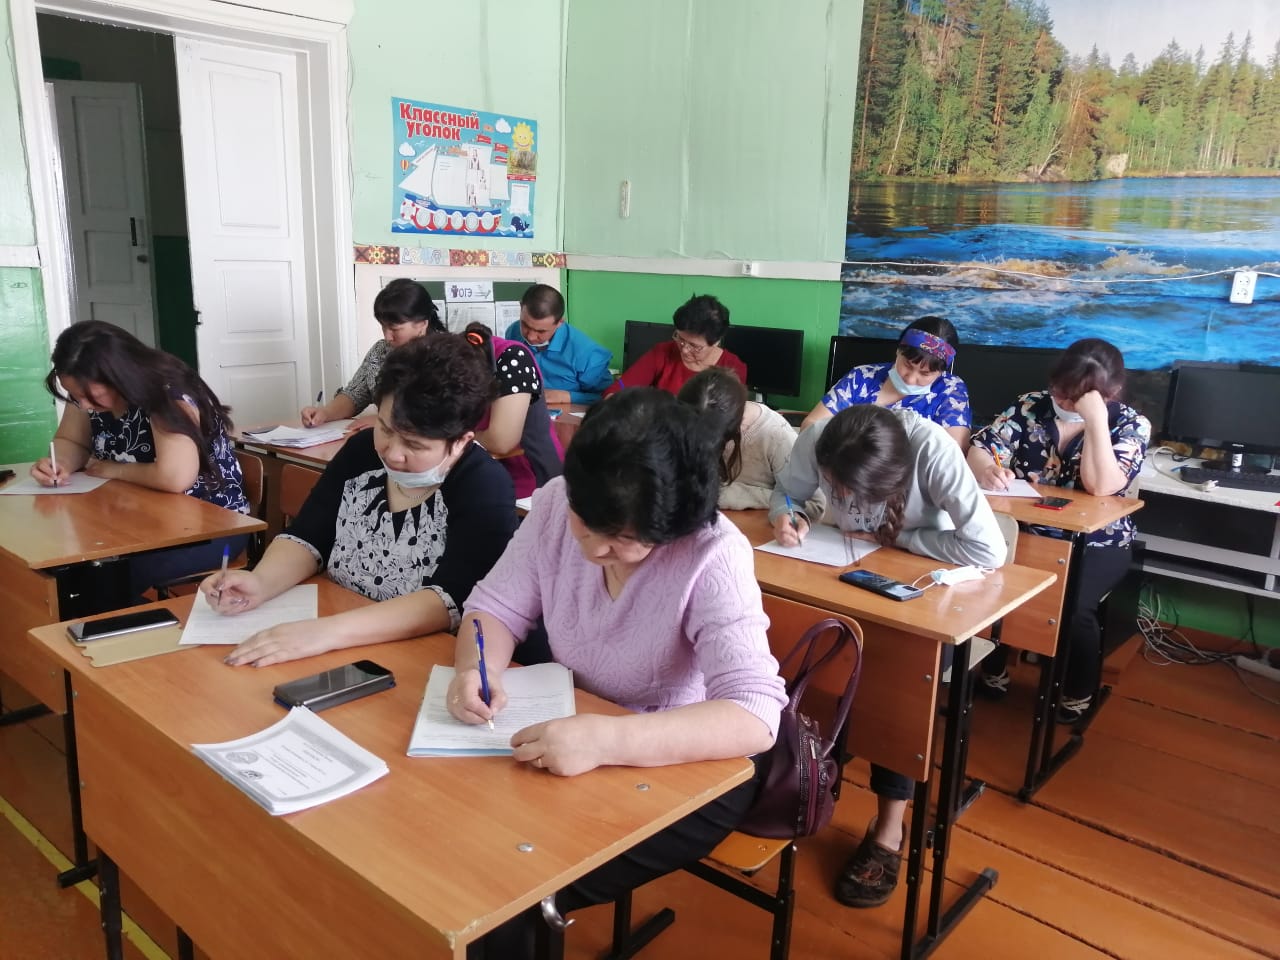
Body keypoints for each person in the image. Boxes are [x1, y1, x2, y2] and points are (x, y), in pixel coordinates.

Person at [448, 388, 786, 959]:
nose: (593, 548)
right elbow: (494, 608)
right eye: (586, 522)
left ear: (671, 528)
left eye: (624, 539)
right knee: (457, 844)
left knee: (504, 893)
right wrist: (475, 669)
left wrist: (606, 740)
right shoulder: (555, 504)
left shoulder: (713, 553)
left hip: (683, 767)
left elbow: (755, 713)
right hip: (576, 729)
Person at [770, 404, 1005, 910]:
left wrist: (902, 537)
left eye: (854, 492)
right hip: (839, 572)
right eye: (837, 488)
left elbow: (989, 550)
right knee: (800, 655)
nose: (844, 499)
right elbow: (788, 491)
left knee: (895, 688)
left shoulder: (933, 451)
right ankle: (803, 776)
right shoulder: (820, 437)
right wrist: (788, 516)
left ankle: (889, 827)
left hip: (916, 590)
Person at [202, 334, 517, 667]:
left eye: (415, 445)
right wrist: (260, 582)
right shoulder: (362, 451)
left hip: (415, 654)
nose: (392, 454)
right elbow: (308, 537)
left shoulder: (484, 484)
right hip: (335, 626)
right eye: (386, 429)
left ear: (461, 441)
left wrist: (326, 633)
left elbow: (447, 600)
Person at [968, 337, 1149, 722]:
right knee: (988, 585)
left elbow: (1102, 486)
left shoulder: (1130, 424)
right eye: (1060, 391)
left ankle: (1078, 690)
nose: (1064, 402)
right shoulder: (1029, 406)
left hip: (1094, 541)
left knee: (1073, 607)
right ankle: (993, 670)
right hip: (1021, 529)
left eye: (1076, 397)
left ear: (1109, 393)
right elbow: (983, 447)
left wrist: (1096, 421)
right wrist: (986, 469)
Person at [32, 319, 249, 596]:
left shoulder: (168, 392)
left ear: (119, 377)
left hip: (210, 527)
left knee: (107, 580)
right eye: (75, 396)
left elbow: (175, 477)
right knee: (65, 570)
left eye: (92, 396)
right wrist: (60, 463)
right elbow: (72, 441)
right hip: (136, 517)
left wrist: (113, 469)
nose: (83, 405)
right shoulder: (86, 395)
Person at [800, 316, 971, 448]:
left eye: (925, 373)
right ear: (898, 351)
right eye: (907, 365)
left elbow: (952, 453)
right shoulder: (861, 377)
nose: (910, 378)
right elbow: (810, 426)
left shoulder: (950, 390)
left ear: (941, 371)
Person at [677, 367, 822, 516]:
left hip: (760, 526)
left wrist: (730, 495)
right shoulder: (690, 423)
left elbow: (814, 505)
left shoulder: (775, 435)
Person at [300, 278, 445, 427]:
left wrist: (383, 421)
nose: (387, 337)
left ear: (422, 324)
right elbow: (355, 395)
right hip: (383, 438)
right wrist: (325, 413)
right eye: (383, 327)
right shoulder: (380, 351)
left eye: (394, 329)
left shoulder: (446, 357)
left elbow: (443, 415)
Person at [464, 322, 564, 499]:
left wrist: (461, 436)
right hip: (480, 470)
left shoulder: (512, 357)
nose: (531, 336)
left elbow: (501, 442)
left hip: (528, 475)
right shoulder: (443, 357)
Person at [604, 294, 747, 396]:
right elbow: (617, 390)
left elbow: (725, 418)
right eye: (680, 338)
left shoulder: (732, 368)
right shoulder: (662, 353)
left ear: (716, 342)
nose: (684, 350)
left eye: (694, 346)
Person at [503, 283, 614, 405]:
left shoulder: (586, 353)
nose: (531, 337)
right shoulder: (513, 332)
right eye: (525, 325)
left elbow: (610, 398)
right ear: (520, 307)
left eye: (541, 331)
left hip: (567, 414)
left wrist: (567, 397)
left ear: (560, 322)